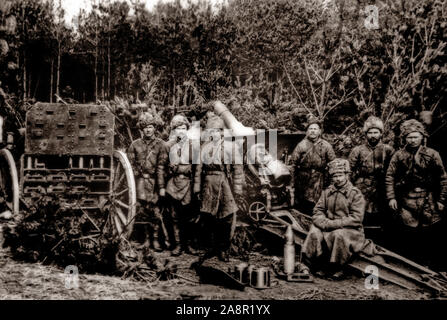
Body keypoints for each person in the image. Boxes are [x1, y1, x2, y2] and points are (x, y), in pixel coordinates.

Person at [385, 119, 447, 268]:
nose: (412, 140)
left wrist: (442, 200)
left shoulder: (433, 154)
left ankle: (430, 264)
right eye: (409, 137)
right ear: (404, 138)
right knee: (408, 232)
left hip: (428, 199)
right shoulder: (399, 155)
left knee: (429, 232)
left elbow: (442, 178)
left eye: (415, 136)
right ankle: (410, 264)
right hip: (407, 200)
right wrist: (391, 197)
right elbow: (390, 176)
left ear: (422, 137)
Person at [301, 158, 369, 277]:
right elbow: (318, 211)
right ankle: (309, 264)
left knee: (338, 235)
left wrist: (333, 224)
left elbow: (356, 218)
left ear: (346, 175)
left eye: (340, 175)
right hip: (327, 226)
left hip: (351, 230)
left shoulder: (355, 193)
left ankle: (337, 267)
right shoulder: (327, 192)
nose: (337, 179)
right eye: (334, 176)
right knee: (314, 232)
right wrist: (323, 222)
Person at [193, 113, 244, 263]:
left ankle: (223, 249)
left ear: (222, 132)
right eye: (211, 131)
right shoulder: (204, 148)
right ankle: (211, 247)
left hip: (224, 183)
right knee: (209, 217)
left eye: (217, 131)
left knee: (226, 217)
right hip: (208, 184)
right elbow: (197, 170)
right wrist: (197, 188)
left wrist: (238, 190)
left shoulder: (231, 147)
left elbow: (238, 169)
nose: (214, 134)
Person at [348, 116, 394, 238]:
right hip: (362, 186)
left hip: (381, 186)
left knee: (382, 214)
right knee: (361, 212)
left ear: (381, 134)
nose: (373, 135)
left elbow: (393, 171)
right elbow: (349, 170)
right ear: (366, 134)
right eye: (370, 132)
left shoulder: (388, 150)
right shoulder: (358, 150)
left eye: (376, 132)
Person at [159, 114, 198, 256]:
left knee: (188, 217)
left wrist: (196, 186)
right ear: (173, 130)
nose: (181, 131)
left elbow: (197, 168)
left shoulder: (194, 145)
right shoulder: (168, 145)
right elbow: (161, 168)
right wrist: (162, 187)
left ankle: (189, 245)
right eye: (177, 129)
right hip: (173, 184)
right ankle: (177, 246)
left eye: (183, 128)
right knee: (174, 217)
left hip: (188, 184)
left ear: (187, 129)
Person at [127, 112, 165, 251]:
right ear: (141, 129)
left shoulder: (161, 145)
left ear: (155, 128)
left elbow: (163, 166)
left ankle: (155, 240)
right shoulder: (134, 145)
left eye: (150, 127)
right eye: (145, 127)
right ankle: (146, 240)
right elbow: (130, 165)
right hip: (141, 183)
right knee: (143, 211)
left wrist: (161, 186)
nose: (148, 130)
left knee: (155, 212)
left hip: (156, 182)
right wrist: (138, 174)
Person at [289, 114, 336, 214]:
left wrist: (332, 184)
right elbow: (293, 165)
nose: (313, 131)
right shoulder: (301, 145)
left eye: (315, 129)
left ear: (319, 131)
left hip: (320, 180)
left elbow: (333, 165)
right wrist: (292, 183)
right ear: (307, 131)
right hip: (302, 180)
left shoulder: (326, 146)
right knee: (302, 205)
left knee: (318, 206)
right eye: (310, 129)